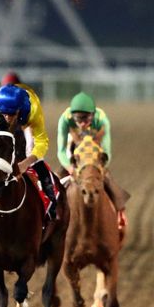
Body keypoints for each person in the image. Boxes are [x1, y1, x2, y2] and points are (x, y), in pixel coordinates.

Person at [0, 83, 58, 221]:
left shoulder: (33, 109)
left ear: (19, 110)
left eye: (11, 114)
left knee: (36, 160)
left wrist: (26, 163)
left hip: (25, 127)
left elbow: (42, 142)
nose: (7, 118)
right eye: (4, 114)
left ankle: (51, 201)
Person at [57, 92, 129, 228]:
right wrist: (70, 168)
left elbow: (106, 152)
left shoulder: (102, 119)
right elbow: (61, 151)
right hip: (74, 152)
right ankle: (52, 217)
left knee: (108, 180)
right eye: (79, 120)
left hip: (95, 154)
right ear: (72, 116)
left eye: (86, 120)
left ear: (93, 115)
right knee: (57, 181)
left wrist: (98, 169)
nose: (83, 124)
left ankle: (120, 214)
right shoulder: (65, 119)